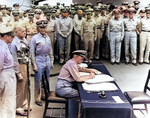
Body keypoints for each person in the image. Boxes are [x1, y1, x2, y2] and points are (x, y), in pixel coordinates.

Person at [30, 20, 54, 106]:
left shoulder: (47, 37)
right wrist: (34, 64)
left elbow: (50, 49)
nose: (43, 29)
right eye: (41, 27)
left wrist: (51, 60)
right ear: (38, 28)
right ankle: (37, 98)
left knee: (46, 79)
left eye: (44, 27)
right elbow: (31, 52)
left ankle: (46, 95)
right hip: (39, 59)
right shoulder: (35, 38)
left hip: (47, 58)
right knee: (38, 80)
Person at [9, 27, 29, 116]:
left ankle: (24, 104)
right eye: (22, 31)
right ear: (17, 33)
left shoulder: (24, 40)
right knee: (20, 87)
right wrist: (18, 72)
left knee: (26, 86)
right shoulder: (14, 43)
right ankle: (18, 107)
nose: (25, 32)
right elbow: (14, 59)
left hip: (26, 64)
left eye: (25, 31)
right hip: (20, 65)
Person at [0, 26, 16, 118]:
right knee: (7, 99)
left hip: (8, 73)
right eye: (11, 36)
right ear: (6, 36)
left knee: (9, 99)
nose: (13, 38)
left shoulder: (5, 46)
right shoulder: (2, 48)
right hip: (5, 74)